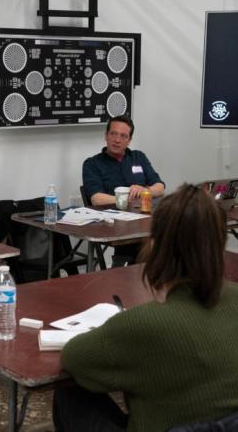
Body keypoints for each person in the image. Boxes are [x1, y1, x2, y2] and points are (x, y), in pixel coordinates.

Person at [53, 184, 238, 431]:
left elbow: (74, 357)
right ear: (220, 243)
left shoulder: (142, 324)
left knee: (70, 393)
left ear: (155, 245)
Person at [82, 115, 165, 266]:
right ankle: (133, 269)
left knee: (174, 229)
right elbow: (96, 198)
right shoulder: (92, 164)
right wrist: (128, 198)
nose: (117, 140)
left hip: (144, 220)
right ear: (106, 136)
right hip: (115, 224)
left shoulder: (138, 157)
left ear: (129, 140)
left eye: (123, 136)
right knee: (154, 242)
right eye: (113, 134)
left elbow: (160, 187)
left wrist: (145, 191)